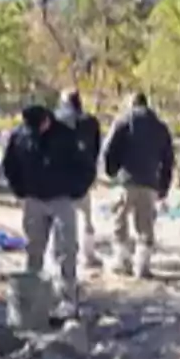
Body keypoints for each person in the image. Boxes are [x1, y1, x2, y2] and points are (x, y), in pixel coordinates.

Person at [3, 105, 96, 319]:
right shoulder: (20, 136)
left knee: (66, 249)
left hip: (62, 199)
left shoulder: (67, 136)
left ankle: (67, 300)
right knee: (34, 249)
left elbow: (86, 166)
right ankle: (32, 297)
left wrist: (75, 191)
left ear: (47, 119)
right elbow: (10, 165)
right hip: (33, 199)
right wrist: (20, 189)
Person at [101, 92, 175, 278]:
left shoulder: (123, 121)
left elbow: (109, 149)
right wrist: (163, 187)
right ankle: (142, 265)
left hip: (125, 180)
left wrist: (111, 171)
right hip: (150, 182)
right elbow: (168, 160)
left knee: (119, 220)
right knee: (145, 225)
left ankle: (121, 260)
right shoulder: (160, 127)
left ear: (131, 104)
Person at [54, 88, 103, 268]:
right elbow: (97, 148)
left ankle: (61, 256)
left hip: (61, 179)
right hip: (83, 178)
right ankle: (88, 255)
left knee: (61, 219)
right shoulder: (91, 121)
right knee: (86, 217)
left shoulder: (56, 121)